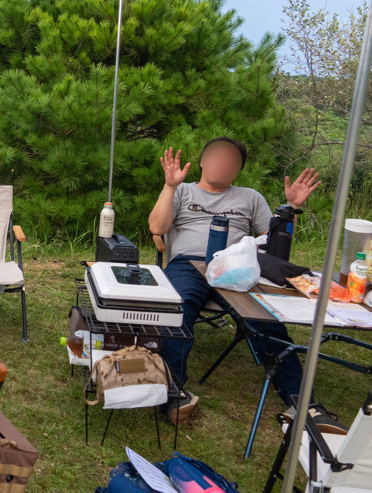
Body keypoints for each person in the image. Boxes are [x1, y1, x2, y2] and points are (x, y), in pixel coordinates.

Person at [148, 137, 346, 432]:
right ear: (203, 161)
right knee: (177, 309)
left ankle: (303, 404)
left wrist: (290, 209)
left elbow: (276, 245)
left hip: (236, 270)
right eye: (217, 158)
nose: (223, 164)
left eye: (232, 162)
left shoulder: (250, 198)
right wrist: (169, 186)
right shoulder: (182, 190)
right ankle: (173, 392)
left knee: (267, 318)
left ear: (238, 170)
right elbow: (157, 228)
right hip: (189, 265)